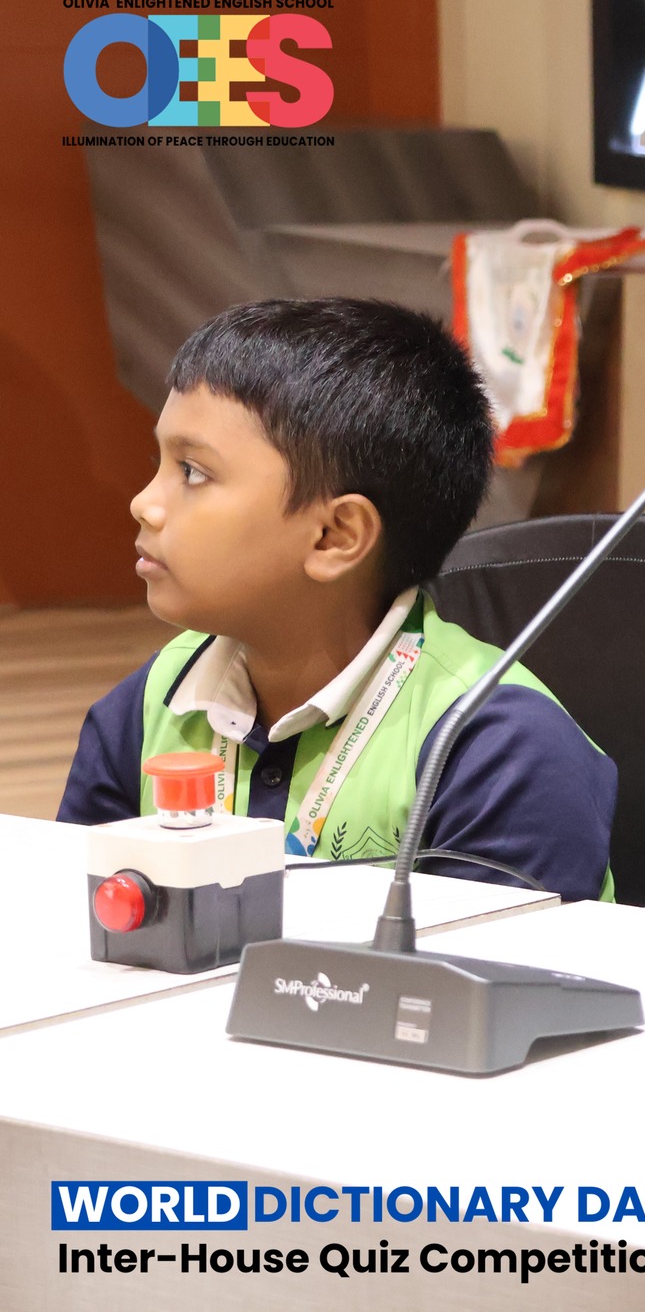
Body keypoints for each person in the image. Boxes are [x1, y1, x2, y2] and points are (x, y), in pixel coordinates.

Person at [60, 298, 615, 902]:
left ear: (334, 536)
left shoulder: (500, 751)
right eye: (159, 461)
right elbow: (72, 921)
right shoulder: (148, 705)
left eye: (193, 471)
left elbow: (495, 963)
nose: (143, 503)